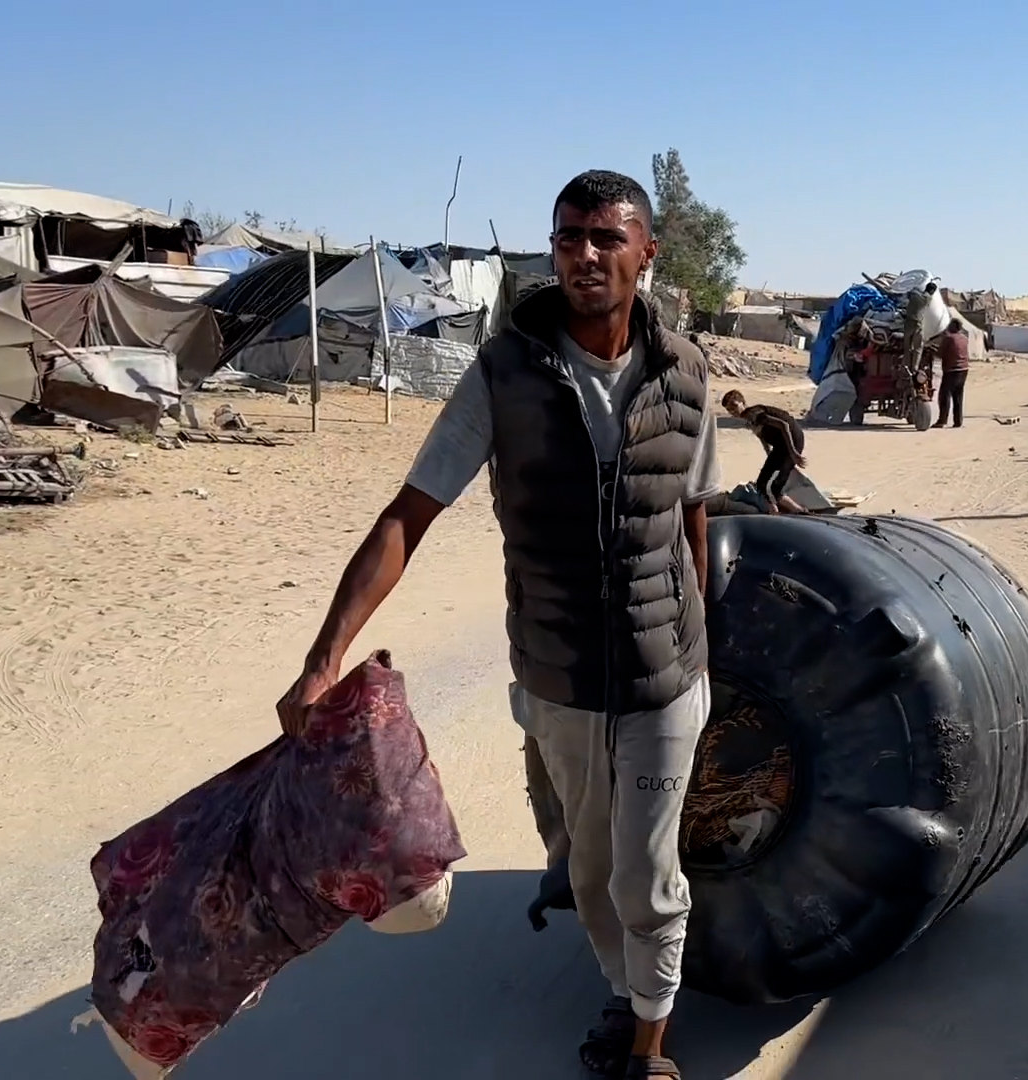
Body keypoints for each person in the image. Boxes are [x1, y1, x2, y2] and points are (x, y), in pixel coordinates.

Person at [279, 170, 715, 1080]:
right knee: (589, 870)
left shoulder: (685, 370)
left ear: (646, 252)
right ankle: (627, 989)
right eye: (568, 237)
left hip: (664, 675)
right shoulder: (505, 374)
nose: (584, 255)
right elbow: (408, 516)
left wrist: (701, 629)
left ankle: (651, 1046)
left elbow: (692, 510)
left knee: (645, 874)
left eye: (606, 237)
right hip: (559, 675)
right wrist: (325, 659)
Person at [722, 389, 806, 512]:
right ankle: (795, 510)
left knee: (771, 487)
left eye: (734, 406)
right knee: (761, 484)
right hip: (780, 446)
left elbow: (784, 425)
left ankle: (781, 513)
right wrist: (770, 457)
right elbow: (762, 437)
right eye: (729, 409)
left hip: (792, 441)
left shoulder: (755, 414)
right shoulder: (749, 420)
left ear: (742, 402)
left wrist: (793, 453)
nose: (733, 411)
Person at [936, 318, 972, 428]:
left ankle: (942, 420)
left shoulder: (949, 338)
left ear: (953, 327)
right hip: (964, 369)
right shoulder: (964, 338)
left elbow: (940, 354)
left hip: (951, 370)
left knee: (945, 395)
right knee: (958, 396)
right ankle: (958, 421)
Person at [902, 281, 940, 370]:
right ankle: (914, 368)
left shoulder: (915, 295)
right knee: (918, 348)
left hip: (909, 323)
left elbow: (911, 294)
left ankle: (906, 366)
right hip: (918, 325)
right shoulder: (928, 298)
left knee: (907, 347)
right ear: (932, 291)